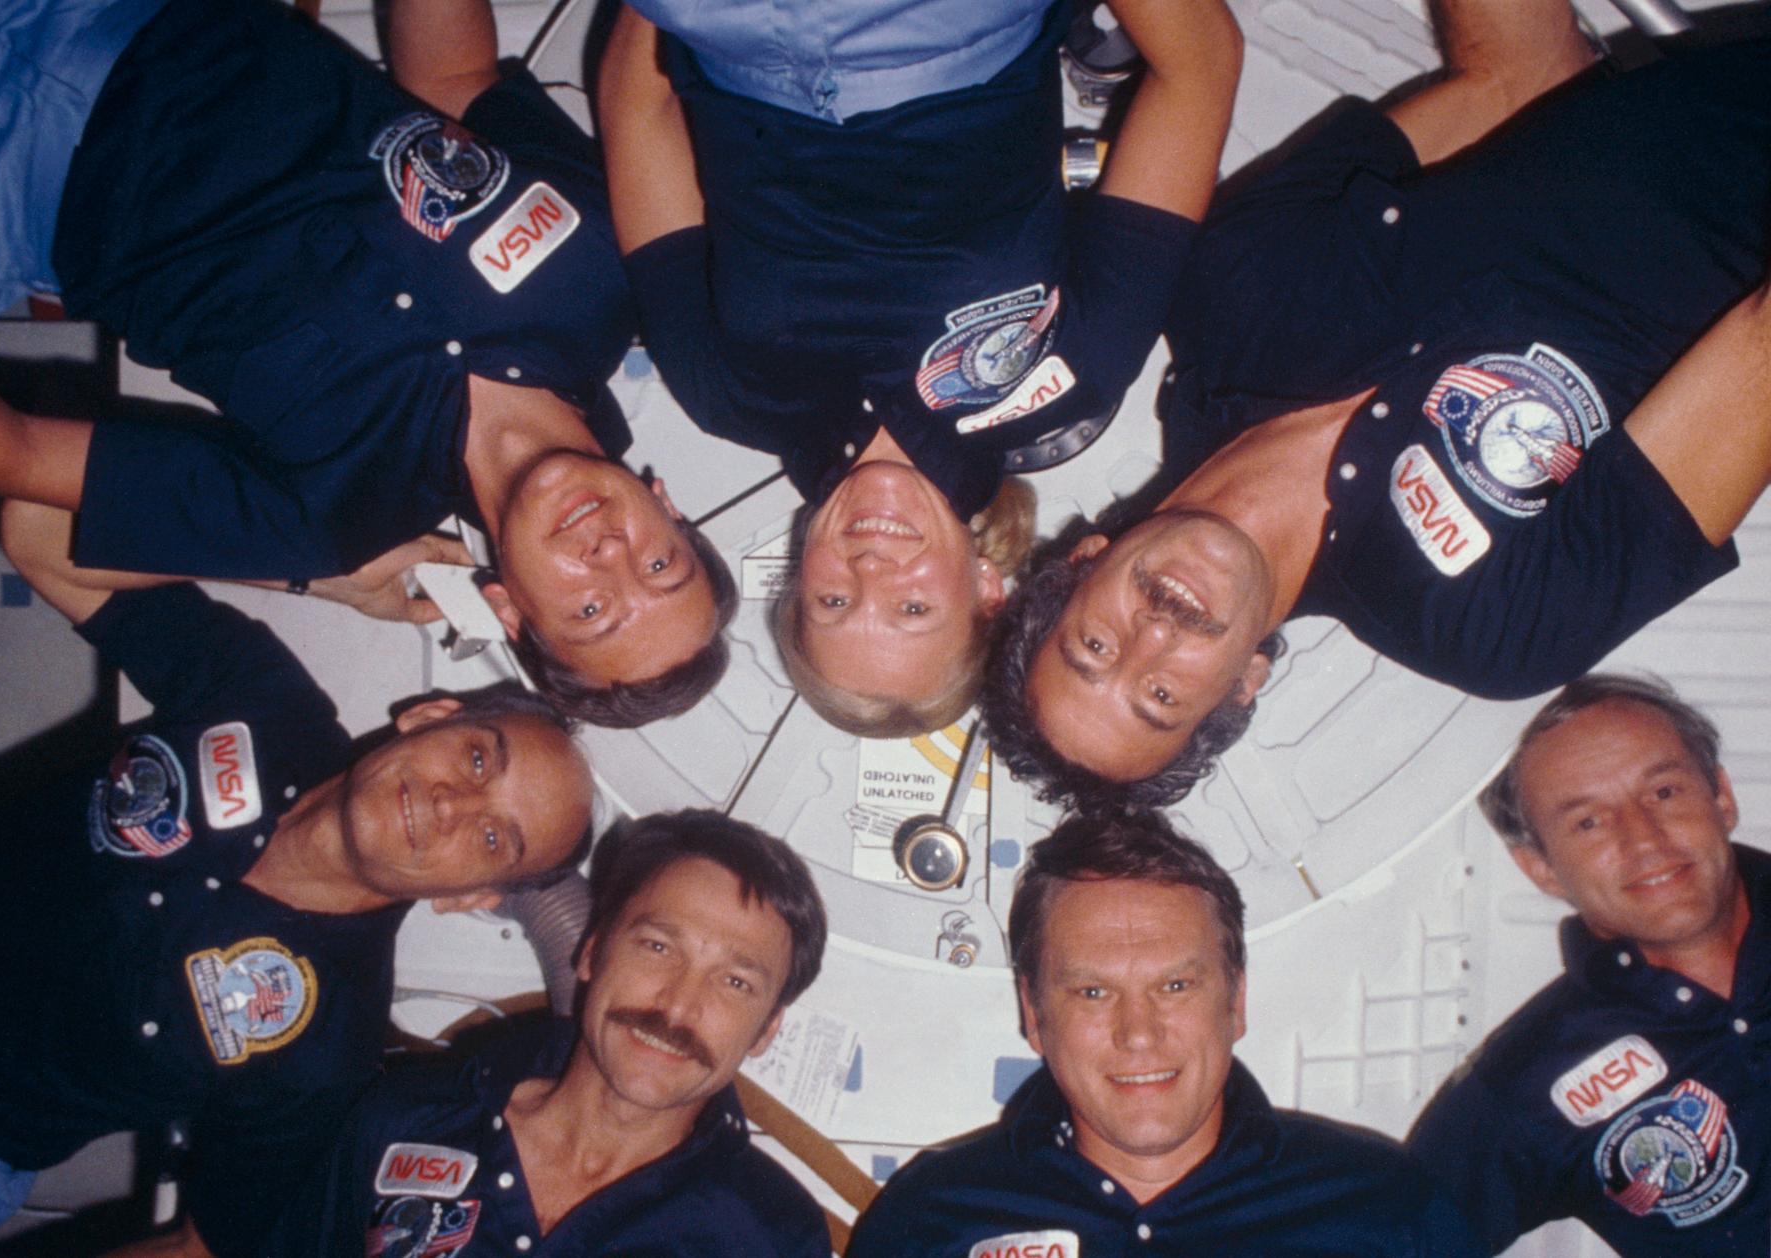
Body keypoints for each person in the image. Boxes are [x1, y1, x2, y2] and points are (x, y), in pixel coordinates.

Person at [0, 0, 737, 727]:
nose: (609, 555)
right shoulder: (609, 276)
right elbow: (455, 82)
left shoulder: (332, 520)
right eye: (663, 567)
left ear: (509, 611)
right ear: (667, 510)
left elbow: (14, 457)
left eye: (590, 611)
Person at [984, 0, 1771, 812]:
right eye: (1160, 698)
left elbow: (1517, 81)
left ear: (1080, 563)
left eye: (1095, 645)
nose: (1154, 637)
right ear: (1243, 687)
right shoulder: (1490, 626)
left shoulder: (1221, 291)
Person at [0, 498, 598, 1258]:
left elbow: (198, 1248)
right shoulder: (262, 700)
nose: (451, 803)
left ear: (467, 897)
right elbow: (37, 529)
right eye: (478, 758)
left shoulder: (330, 1043)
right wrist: (317, 573)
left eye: (494, 836)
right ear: (431, 715)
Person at [597, 0, 1241, 734]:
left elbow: (637, 117)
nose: (870, 570)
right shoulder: (1066, 380)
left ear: (799, 578)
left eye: (834, 603)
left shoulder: (726, 397)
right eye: (913, 608)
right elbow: (1197, 73)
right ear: (986, 587)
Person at [848, 809, 1481, 1254]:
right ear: (1034, 1015)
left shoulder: (1383, 1203)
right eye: (1093, 993)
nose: (1139, 1034)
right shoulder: (930, 1215)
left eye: (1174, 986)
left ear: (1235, 1001)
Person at [270, 809, 831, 1257]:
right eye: (658, 947)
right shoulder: (406, 1117)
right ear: (590, 951)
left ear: (766, 1030)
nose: (679, 1006)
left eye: (735, 982)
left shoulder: (771, 1236)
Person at [1408, 674, 1769, 1253]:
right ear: (1542, 869)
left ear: (1721, 797)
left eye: (1664, 793)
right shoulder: (1529, 1082)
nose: (1644, 839)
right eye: (1589, 822)